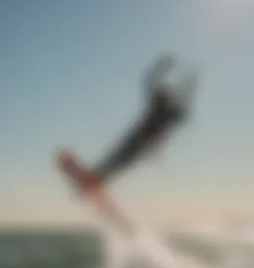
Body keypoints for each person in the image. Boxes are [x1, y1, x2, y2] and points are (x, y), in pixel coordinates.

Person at [60, 54, 198, 188]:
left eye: (166, 95)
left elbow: (183, 115)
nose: (163, 96)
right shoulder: (159, 105)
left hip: (144, 142)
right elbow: (149, 81)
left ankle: (95, 178)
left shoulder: (169, 112)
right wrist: (162, 66)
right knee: (118, 156)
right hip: (138, 138)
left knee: (122, 159)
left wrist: (189, 86)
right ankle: (95, 177)